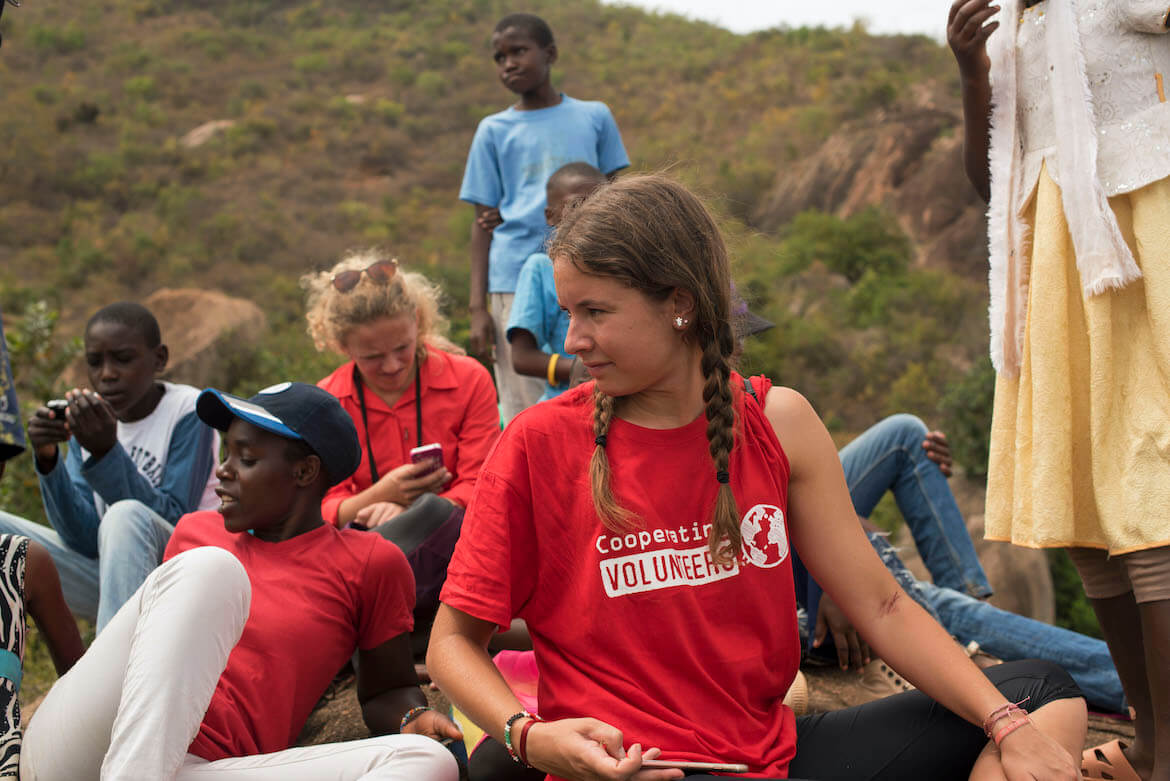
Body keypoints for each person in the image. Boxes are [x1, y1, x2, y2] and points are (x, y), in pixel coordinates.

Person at [428, 174, 1086, 780]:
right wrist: (529, 736)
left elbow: (882, 605)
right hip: (640, 769)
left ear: (679, 305)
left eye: (595, 312)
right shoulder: (539, 443)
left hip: (770, 757)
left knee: (1040, 697)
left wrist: (1004, 721)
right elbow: (453, 641)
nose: (572, 340)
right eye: (569, 314)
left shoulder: (779, 422)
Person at [14, 381, 461, 779]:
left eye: (245, 459)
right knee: (213, 569)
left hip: (207, 769)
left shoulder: (369, 563)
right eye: (226, 454)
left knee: (425, 761)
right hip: (97, 741)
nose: (223, 471)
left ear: (305, 472)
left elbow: (386, 688)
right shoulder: (196, 535)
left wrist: (412, 718)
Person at [949, 2, 1170, 777]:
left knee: (1152, 489)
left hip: (1144, 248)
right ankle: (1149, 736)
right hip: (1052, 267)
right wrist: (971, 72)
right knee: (1080, 498)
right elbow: (987, 181)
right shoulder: (1008, 30)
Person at [306, 250, 499, 645]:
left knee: (437, 513)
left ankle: (380, 636)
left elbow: (484, 488)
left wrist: (410, 511)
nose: (393, 365)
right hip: (363, 558)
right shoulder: (328, 402)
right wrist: (380, 496)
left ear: (418, 323)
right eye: (373, 357)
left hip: (457, 554)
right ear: (342, 346)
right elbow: (315, 508)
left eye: (403, 348)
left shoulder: (468, 380)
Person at [0, 302, 218, 631]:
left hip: (178, 581)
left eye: (123, 359)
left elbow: (176, 519)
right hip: (113, 583)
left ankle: (109, 677)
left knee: (125, 514)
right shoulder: (91, 422)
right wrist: (49, 461)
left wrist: (106, 452)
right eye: (94, 362)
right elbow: (83, 539)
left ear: (159, 359)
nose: (107, 373)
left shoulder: (189, 411)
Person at [460, 13, 629, 422]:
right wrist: (477, 308)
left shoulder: (594, 116)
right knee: (524, 407)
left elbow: (623, 200)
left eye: (519, 51)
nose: (509, 64)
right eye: (500, 57)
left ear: (550, 53)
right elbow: (483, 222)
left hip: (591, 271)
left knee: (593, 390)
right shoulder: (493, 130)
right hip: (514, 275)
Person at [507, 162, 606, 401]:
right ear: (550, 215)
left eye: (601, 204)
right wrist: (574, 368)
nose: (589, 213)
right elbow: (521, 357)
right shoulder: (540, 269)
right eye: (577, 204)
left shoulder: (617, 267)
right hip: (568, 398)